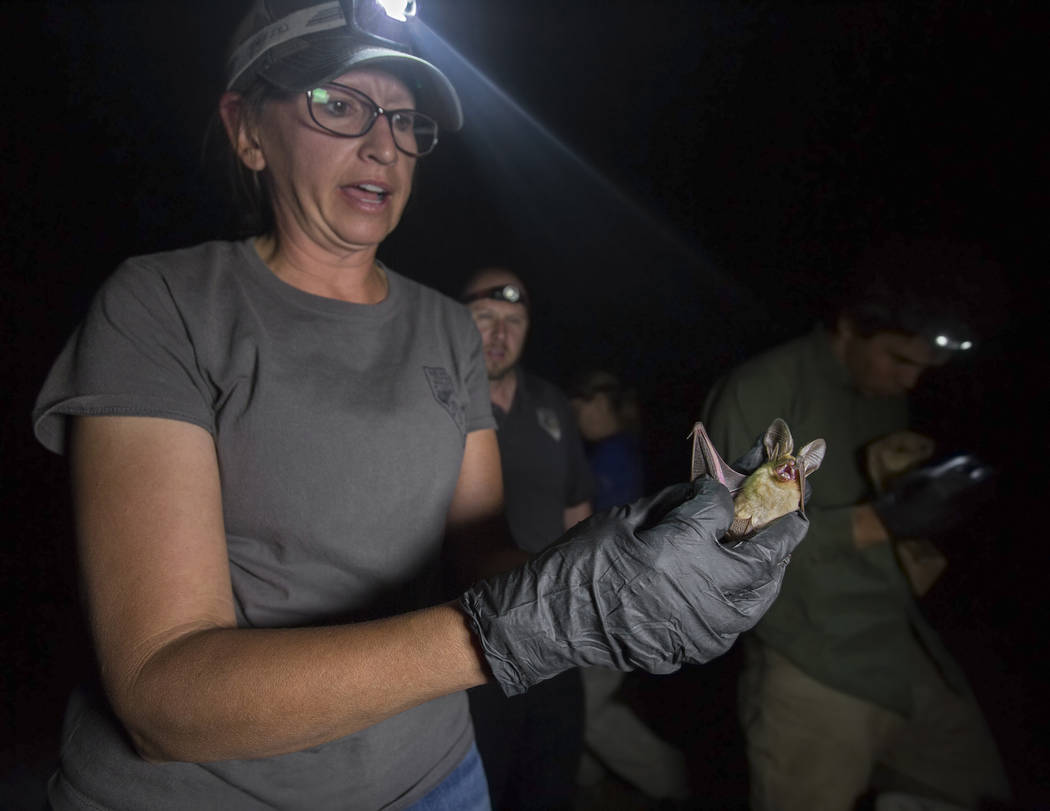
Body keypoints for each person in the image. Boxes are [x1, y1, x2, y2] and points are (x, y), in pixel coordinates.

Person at [30, 2, 809, 808]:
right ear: (246, 129)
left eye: (405, 120)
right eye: (338, 103)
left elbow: (482, 556)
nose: (383, 144)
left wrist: (623, 565)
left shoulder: (446, 327)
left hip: (435, 774)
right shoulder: (165, 305)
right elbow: (164, 696)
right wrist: (519, 626)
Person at [701, 236, 1012, 810]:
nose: (911, 381)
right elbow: (725, 545)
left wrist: (924, 493)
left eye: (925, 367)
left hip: (902, 646)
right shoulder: (766, 390)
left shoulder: (884, 392)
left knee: (979, 791)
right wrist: (874, 522)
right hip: (812, 664)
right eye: (900, 359)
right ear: (848, 328)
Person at [459, 267, 593, 811]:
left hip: (557, 634)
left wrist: (587, 603)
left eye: (513, 321)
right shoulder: (437, 397)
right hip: (470, 639)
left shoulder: (551, 402)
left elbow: (577, 506)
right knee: (480, 783)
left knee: (551, 782)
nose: (499, 334)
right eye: (484, 318)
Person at [570, 370, 693, 803]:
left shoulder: (611, 459)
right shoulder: (622, 451)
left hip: (617, 605)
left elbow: (602, 541)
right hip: (620, 601)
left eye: (580, 404)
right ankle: (583, 781)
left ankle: (674, 782)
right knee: (578, 701)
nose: (574, 413)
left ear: (603, 404)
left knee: (581, 708)